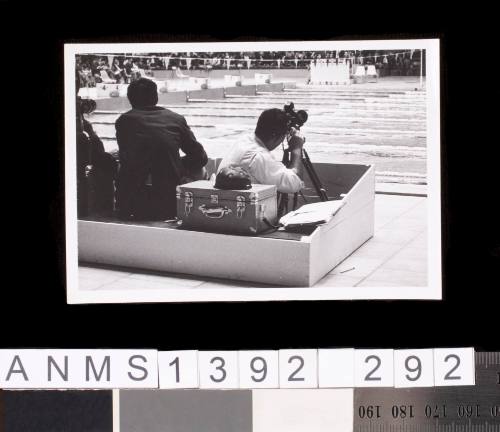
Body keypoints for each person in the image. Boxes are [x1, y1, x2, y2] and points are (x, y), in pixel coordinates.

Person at [115, 78, 208, 220]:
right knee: (201, 170)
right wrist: (174, 163)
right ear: (156, 97)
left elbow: (128, 159)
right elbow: (200, 158)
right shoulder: (175, 119)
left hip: (131, 205)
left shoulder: (123, 121)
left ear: (129, 99)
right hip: (168, 204)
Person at [217, 108, 304, 194]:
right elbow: (295, 182)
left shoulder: (244, 140)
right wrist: (297, 148)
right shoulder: (259, 157)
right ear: (276, 136)